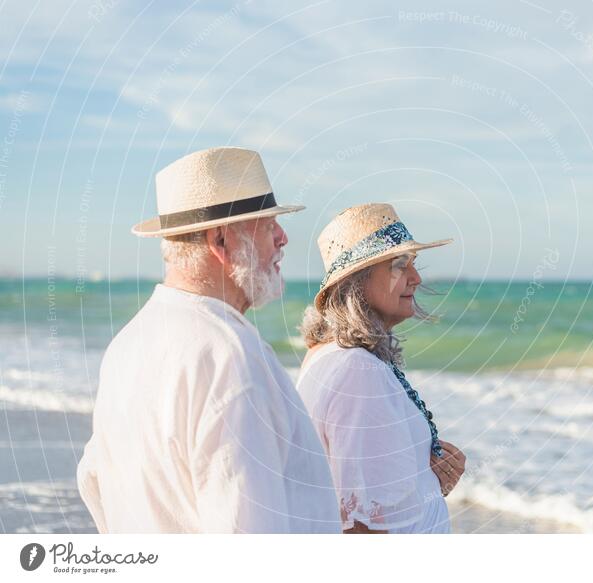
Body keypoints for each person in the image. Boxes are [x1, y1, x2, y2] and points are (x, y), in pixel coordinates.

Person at [76, 147, 340, 533]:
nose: (283, 238)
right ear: (221, 241)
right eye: (268, 225)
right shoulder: (227, 356)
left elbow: (95, 485)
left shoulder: (126, 345)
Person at [297, 203, 466, 533]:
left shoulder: (327, 354)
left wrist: (427, 482)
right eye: (399, 265)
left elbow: (358, 494)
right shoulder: (357, 371)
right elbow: (360, 527)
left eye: (414, 265)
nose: (416, 279)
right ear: (356, 281)